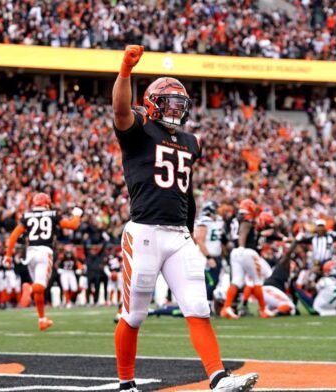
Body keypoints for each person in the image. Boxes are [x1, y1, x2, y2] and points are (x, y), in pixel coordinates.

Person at [112, 45, 257, 392]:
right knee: (133, 315)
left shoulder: (191, 142)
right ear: (150, 103)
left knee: (198, 306)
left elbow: (187, 192)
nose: (176, 109)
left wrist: (190, 232)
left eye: (180, 104)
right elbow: (119, 109)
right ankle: (126, 383)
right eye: (169, 103)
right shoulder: (139, 129)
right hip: (145, 230)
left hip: (179, 234)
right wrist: (125, 72)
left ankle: (218, 376)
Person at [4, 192, 83, 330]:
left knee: (38, 290)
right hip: (44, 252)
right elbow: (72, 225)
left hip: (30, 253)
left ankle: (42, 319)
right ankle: (28, 288)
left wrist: (8, 255)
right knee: (39, 286)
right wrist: (77, 214)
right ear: (46, 203)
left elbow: (14, 236)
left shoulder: (27, 216)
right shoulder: (52, 214)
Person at [194, 201, 226, 306]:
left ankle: (209, 306)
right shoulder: (204, 221)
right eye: (216, 209)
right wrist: (208, 257)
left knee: (215, 282)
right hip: (206, 257)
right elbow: (199, 240)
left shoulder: (218, 221)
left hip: (216, 256)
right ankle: (205, 306)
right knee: (211, 282)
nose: (217, 211)